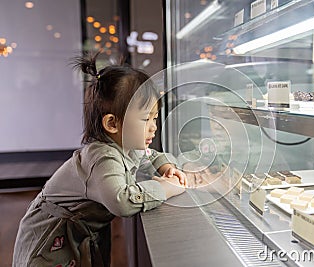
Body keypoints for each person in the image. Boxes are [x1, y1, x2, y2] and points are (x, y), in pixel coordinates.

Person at [12, 52, 187, 267]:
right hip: (51, 240)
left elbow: (149, 157)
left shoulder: (126, 146)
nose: (154, 127)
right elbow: (121, 201)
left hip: (79, 233)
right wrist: (165, 188)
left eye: (155, 118)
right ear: (112, 124)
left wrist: (166, 166)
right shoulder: (102, 157)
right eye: (145, 119)